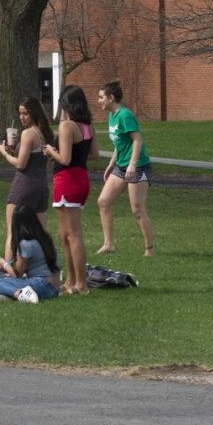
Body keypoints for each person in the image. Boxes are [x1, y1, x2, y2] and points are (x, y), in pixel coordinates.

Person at [94, 80, 153, 256]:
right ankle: (109, 244)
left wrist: (132, 165)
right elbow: (120, 142)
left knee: (137, 209)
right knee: (103, 201)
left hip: (138, 166)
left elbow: (137, 140)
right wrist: (111, 164)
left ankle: (149, 249)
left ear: (111, 98)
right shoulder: (112, 116)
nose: (98, 101)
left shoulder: (125, 115)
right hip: (121, 166)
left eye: (101, 97)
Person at [0, 96, 52, 269]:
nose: (22, 117)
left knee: (13, 230)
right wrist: (14, 150)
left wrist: (4, 153)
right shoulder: (45, 132)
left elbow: (21, 164)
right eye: (20, 113)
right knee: (41, 231)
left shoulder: (28, 133)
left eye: (25, 113)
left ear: (34, 112)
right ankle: (49, 266)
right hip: (41, 185)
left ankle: (9, 268)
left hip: (24, 185)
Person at [47, 85, 94, 296]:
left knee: (73, 235)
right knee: (64, 234)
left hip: (67, 180)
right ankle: (70, 280)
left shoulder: (67, 126)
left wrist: (50, 151)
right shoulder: (87, 126)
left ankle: (80, 284)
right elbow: (93, 154)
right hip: (81, 178)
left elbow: (64, 159)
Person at [0, 208, 64, 303]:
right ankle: (8, 296)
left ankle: (18, 293)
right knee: (2, 281)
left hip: (41, 285)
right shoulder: (45, 238)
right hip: (54, 288)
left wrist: (4, 264)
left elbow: (17, 275)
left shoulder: (25, 243)